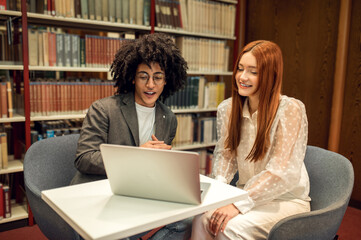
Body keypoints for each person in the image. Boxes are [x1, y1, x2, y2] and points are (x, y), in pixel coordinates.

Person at [70, 33, 190, 239]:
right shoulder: (104, 109)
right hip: (100, 194)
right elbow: (84, 159)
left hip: (137, 194)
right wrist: (138, 154)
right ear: (133, 78)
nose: (150, 84)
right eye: (144, 76)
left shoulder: (168, 118)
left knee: (188, 220)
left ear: (166, 81)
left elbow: (154, 168)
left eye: (158, 77)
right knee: (116, 234)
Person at [191, 40, 311, 239]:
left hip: (285, 200)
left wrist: (238, 204)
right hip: (245, 193)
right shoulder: (228, 108)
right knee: (201, 218)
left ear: (270, 75)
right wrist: (217, 195)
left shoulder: (290, 109)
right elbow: (226, 157)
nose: (242, 77)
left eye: (253, 72)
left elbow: (279, 172)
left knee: (226, 228)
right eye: (240, 69)